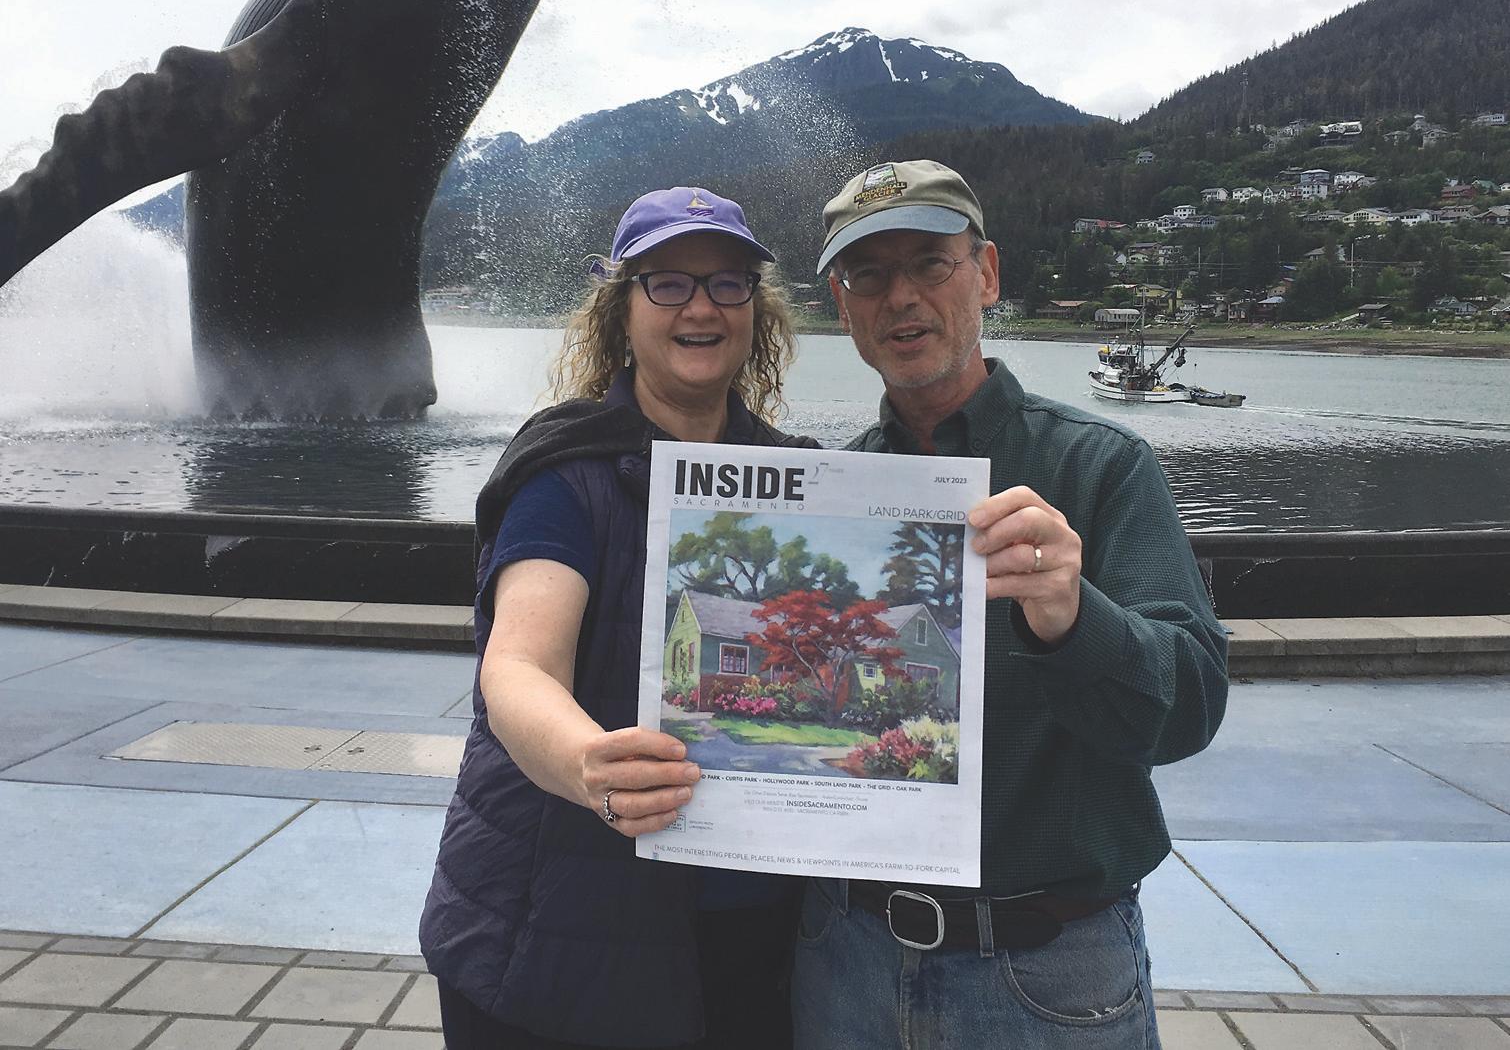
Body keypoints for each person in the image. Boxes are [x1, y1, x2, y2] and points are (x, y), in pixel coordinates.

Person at [793, 159, 1229, 1050]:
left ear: (986, 273)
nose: (900, 296)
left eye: (930, 262)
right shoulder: (832, 491)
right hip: (844, 960)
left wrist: (1074, 617)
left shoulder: (1102, 466)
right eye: (868, 274)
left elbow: (1189, 710)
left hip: (1049, 973)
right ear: (843, 307)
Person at [421, 186, 816, 1050]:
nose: (701, 306)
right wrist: (586, 762)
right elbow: (518, 666)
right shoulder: (566, 472)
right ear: (622, 310)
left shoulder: (803, 483)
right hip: (552, 936)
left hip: (750, 940)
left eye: (728, 283)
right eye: (667, 283)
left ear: (756, 310)